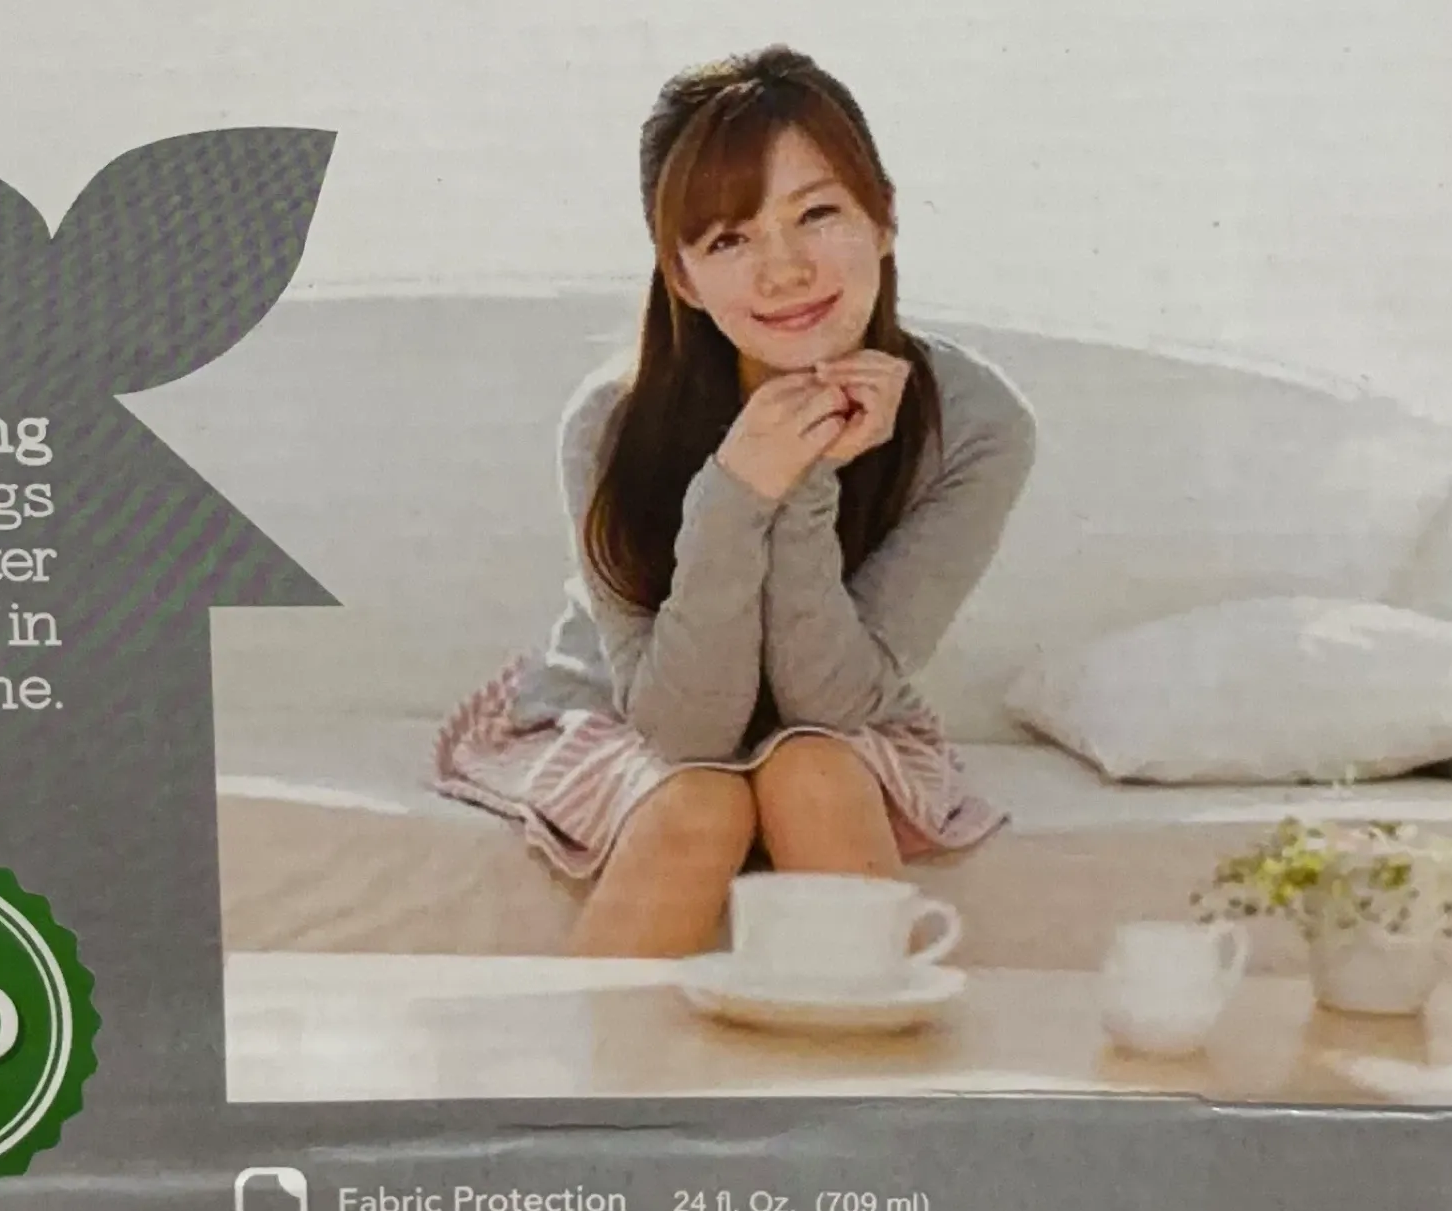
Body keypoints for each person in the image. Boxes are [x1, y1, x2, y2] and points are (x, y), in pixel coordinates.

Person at [434, 46, 1038, 955]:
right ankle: (581, 1057)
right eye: (728, 239)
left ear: (883, 217)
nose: (783, 269)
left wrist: (805, 480)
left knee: (812, 772)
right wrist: (738, 489)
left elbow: (829, 704)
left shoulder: (978, 421)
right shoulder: (610, 422)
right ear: (681, 277)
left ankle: (869, 1051)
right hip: (629, 708)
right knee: (702, 803)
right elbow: (686, 730)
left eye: (817, 213)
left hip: (839, 715)